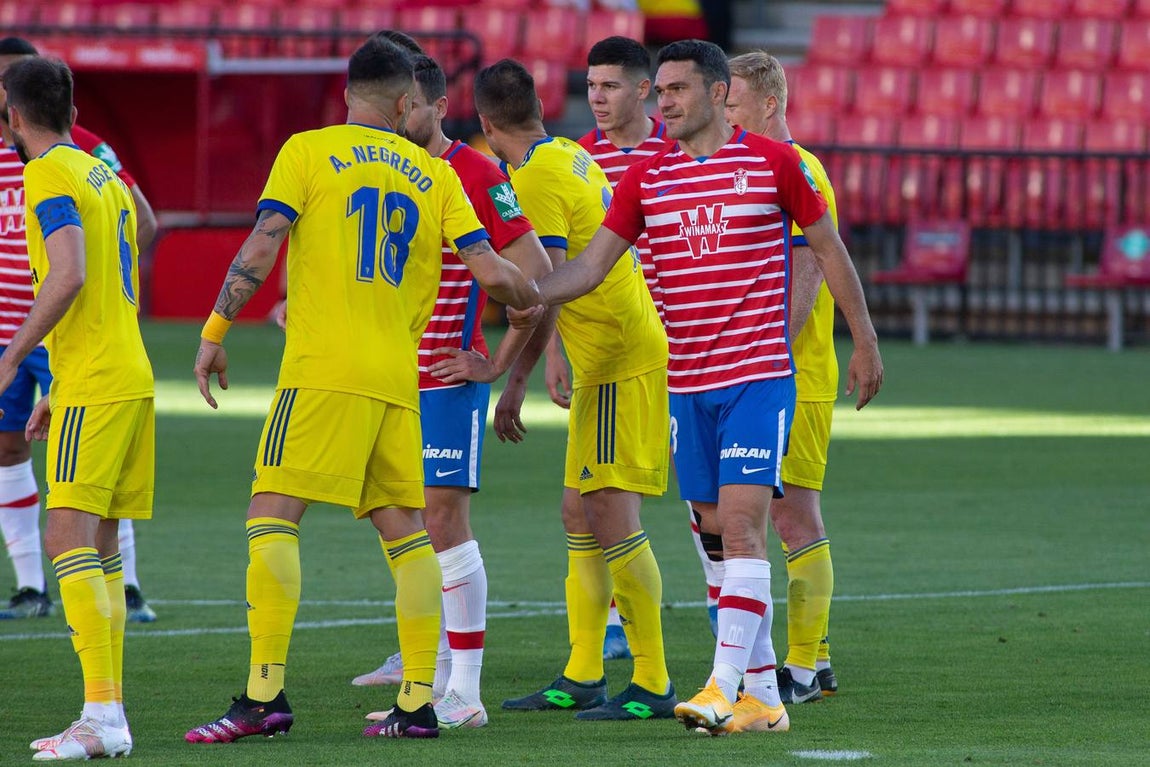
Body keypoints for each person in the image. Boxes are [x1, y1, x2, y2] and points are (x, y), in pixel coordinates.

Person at [184, 38, 541, 744]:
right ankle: (416, 702)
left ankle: (262, 697)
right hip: (397, 379)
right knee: (407, 534)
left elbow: (265, 240)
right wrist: (534, 297)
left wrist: (216, 326)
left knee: (271, 514)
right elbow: (491, 269)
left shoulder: (307, 151)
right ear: (407, 102)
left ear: (350, 94)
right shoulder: (432, 172)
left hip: (322, 368)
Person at [529, 39, 883, 735]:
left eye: (676, 91)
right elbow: (595, 266)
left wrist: (864, 337)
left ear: (718, 94)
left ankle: (723, 685)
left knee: (746, 521)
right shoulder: (646, 178)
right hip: (686, 384)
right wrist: (527, 289)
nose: (662, 104)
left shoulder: (777, 163)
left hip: (758, 377)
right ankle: (763, 695)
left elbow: (827, 247)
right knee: (715, 533)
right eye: (658, 92)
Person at [349, 51, 554, 731]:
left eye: (412, 105)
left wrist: (497, 364)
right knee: (408, 526)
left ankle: (463, 690)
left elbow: (535, 269)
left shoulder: (475, 173)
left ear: (434, 104)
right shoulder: (381, 168)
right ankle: (430, 680)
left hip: (442, 380)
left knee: (443, 521)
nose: (402, 114)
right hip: (382, 380)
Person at [475, 58, 676, 722]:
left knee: (613, 516)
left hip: (620, 354)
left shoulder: (534, 177)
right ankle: (583, 671)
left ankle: (651, 680)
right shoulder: (565, 154)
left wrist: (511, 375)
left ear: (482, 123)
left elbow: (538, 289)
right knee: (577, 511)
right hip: (603, 358)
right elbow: (557, 280)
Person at [0, 56, 154, 760]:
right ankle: (109, 712)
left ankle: (99, 713)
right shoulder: (103, 172)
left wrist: (10, 357)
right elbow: (116, 274)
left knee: (65, 535)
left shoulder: (48, 172)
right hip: (122, 372)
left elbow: (69, 274)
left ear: (16, 112)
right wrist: (57, 385)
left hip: (97, 378)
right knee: (97, 543)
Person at [711, 49, 841, 705]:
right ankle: (813, 655)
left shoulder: (802, 170)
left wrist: (768, 358)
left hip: (795, 373)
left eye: (731, 104)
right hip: (773, 372)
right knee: (781, 514)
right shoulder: (754, 169)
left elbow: (810, 278)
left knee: (794, 517)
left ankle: (799, 669)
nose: (725, 115)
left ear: (767, 104)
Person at [577, 35, 671, 659]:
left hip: (686, 336)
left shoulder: (682, 147)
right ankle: (613, 627)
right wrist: (557, 354)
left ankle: (729, 605)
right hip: (611, 350)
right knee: (603, 493)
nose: (597, 98)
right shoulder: (578, 159)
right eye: (590, 86)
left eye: (610, 86)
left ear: (643, 89)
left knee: (704, 490)